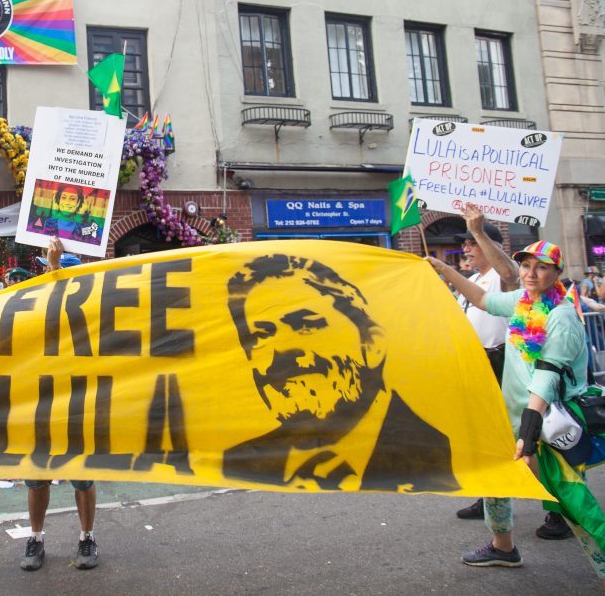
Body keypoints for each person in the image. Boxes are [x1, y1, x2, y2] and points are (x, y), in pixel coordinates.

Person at [427, 241, 604, 578]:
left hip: (551, 425)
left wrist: (528, 434)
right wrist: (445, 271)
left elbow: (546, 379)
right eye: (525, 266)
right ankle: (503, 547)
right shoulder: (522, 303)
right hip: (512, 418)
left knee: (572, 502)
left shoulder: (562, 317)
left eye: (540, 267)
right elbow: (482, 299)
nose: (530, 274)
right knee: (493, 478)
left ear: (556, 273)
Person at [221, 252, 459, 492]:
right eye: (261, 335)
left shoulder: (448, 453)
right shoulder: (238, 461)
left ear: (372, 345)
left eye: (306, 324)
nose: (281, 350)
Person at [21, 237, 99, 572]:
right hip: (41, 398)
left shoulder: (86, 309)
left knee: (81, 475)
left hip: (78, 399)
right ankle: (36, 538)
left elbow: (62, 308)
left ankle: (87, 537)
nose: (43, 277)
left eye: (49, 272)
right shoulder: (34, 305)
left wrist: (55, 267)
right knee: (37, 475)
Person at [449, 208, 528, 524]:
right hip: (478, 365)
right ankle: (489, 496)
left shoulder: (503, 277)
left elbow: (510, 272)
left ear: (491, 246)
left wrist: (479, 229)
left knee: (523, 437)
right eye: (466, 243)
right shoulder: (474, 280)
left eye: (472, 243)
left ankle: (558, 508)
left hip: (502, 363)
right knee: (486, 436)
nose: (466, 248)